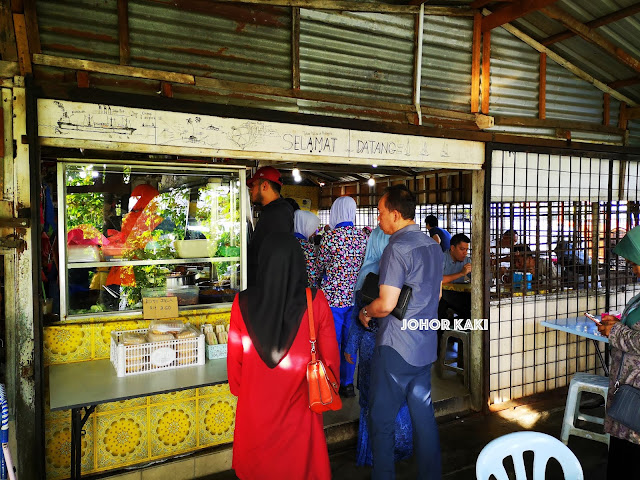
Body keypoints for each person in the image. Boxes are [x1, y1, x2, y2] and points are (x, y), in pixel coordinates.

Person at [227, 233, 339, 480]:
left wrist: (243, 389)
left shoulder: (241, 302)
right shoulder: (316, 301)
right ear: (299, 263)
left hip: (254, 410)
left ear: (262, 263)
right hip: (300, 409)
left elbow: (235, 368)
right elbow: (330, 362)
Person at [358, 185, 444, 480]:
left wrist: (366, 311)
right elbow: (439, 294)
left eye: (381, 213)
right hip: (424, 344)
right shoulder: (433, 245)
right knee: (424, 417)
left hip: (396, 346)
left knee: (381, 419)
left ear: (395, 214)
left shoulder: (396, 248)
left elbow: (387, 304)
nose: (379, 218)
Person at [344, 226, 413, 466]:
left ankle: (373, 455)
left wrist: (350, 347)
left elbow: (357, 317)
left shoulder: (368, 275)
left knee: (372, 400)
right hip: (400, 347)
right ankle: (401, 449)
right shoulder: (407, 272)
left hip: (372, 347)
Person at [595, 226, 640, 479]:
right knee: (622, 454)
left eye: (635, 263)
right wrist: (618, 323)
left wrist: (615, 332)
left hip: (636, 392)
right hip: (626, 386)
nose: (633, 269)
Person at [317, 196, 368, 397]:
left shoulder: (330, 238)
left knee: (331, 342)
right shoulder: (362, 237)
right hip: (355, 299)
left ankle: (332, 382)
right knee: (350, 343)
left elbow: (320, 266)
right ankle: (347, 384)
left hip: (332, 300)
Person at [246, 166, 294, 286]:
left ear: (264, 186)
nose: (251, 190)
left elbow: (276, 257)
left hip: (269, 288)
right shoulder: (275, 209)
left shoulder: (277, 213)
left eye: (253, 185)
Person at [294, 209, 320, 288]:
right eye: (312, 228)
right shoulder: (307, 247)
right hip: (303, 290)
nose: (314, 233)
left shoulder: (286, 241)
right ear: (306, 226)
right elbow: (312, 275)